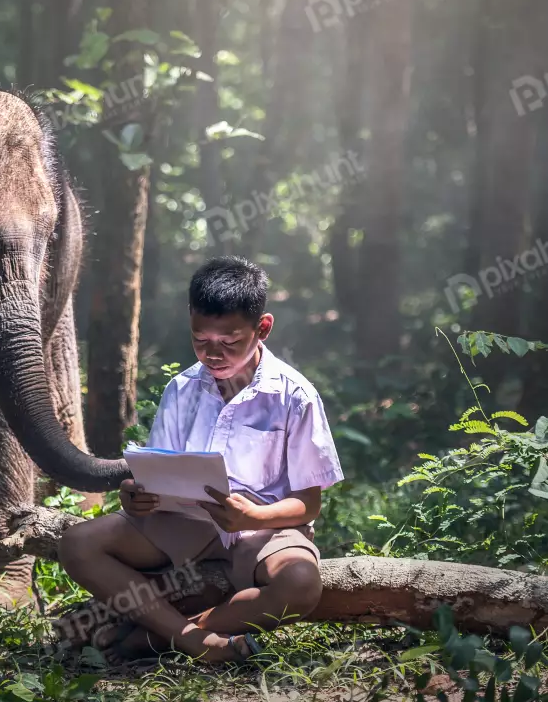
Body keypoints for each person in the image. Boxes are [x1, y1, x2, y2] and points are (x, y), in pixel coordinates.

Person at [58, 256, 344, 662]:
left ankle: (158, 637)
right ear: (190, 319)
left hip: (263, 529)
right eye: (200, 339)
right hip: (184, 522)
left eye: (229, 342)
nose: (213, 353)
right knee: (79, 543)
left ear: (262, 328)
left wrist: (253, 518)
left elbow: (308, 504)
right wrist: (136, 496)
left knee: (300, 583)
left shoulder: (294, 396)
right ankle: (193, 641)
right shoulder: (182, 390)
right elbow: (158, 473)